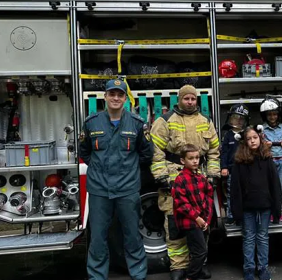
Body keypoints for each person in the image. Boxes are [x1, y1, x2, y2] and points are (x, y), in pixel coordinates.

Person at [79, 79, 153, 280]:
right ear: (105, 96)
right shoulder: (91, 123)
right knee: (98, 239)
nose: (116, 98)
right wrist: (99, 167)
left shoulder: (137, 124)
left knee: (132, 236)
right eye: (112, 94)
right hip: (99, 190)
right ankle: (97, 276)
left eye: (120, 94)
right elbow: (84, 152)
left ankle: (138, 275)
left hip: (127, 189)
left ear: (125, 98)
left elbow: (146, 154)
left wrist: (128, 170)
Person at [150, 85, 220, 280]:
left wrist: (212, 175)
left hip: (200, 182)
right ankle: (178, 267)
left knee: (202, 224)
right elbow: (156, 152)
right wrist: (162, 177)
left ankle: (200, 264)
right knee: (175, 227)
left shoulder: (205, 121)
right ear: (179, 99)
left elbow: (214, 151)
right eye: (186, 98)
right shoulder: (164, 121)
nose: (190, 102)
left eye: (193, 98)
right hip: (174, 181)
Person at [230, 126, 282, 280]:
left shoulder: (267, 159)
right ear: (244, 142)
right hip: (247, 208)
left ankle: (263, 268)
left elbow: (275, 186)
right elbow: (235, 189)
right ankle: (249, 269)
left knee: (263, 237)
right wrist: (237, 212)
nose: (252, 141)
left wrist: (276, 209)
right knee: (248, 237)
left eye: (255, 137)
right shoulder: (239, 163)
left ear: (260, 138)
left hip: (265, 207)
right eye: (249, 139)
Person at [172, 144, 214, 280]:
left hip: (201, 221)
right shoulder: (180, 179)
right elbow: (181, 203)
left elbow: (208, 196)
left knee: (197, 250)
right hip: (190, 222)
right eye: (191, 158)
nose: (195, 161)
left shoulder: (200, 178)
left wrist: (206, 219)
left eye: (197, 158)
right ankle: (190, 277)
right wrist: (197, 218)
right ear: (183, 161)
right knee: (200, 252)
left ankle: (198, 273)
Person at [220, 104, 250, 225]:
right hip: (232, 170)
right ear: (230, 118)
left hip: (247, 169)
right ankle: (231, 215)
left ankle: (245, 215)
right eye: (235, 117)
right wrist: (224, 167)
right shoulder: (228, 135)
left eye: (241, 118)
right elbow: (224, 153)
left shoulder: (248, 134)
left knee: (247, 192)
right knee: (232, 193)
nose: (237, 120)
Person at [259, 96, 282, 222]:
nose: (272, 117)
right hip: (268, 162)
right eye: (269, 114)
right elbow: (261, 144)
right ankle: (269, 212)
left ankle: (278, 212)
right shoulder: (262, 129)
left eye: (274, 114)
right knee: (269, 187)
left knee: (280, 188)